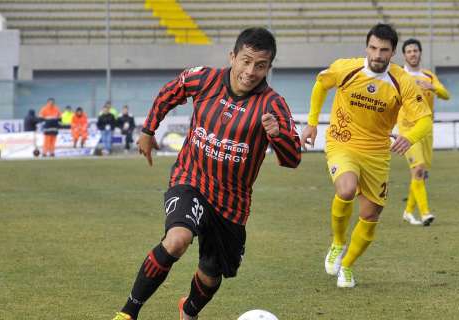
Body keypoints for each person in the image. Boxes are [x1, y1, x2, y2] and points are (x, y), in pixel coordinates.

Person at [112, 27, 301, 320]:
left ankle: (187, 311)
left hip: (232, 203)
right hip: (191, 178)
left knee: (211, 274)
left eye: (260, 65)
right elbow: (169, 93)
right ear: (233, 57)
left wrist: (277, 136)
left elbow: (292, 159)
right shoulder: (204, 79)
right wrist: (148, 130)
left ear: (268, 68)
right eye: (246, 61)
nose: (251, 71)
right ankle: (127, 313)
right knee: (177, 240)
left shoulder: (273, 105)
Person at [300, 23, 432, 288]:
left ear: (393, 52)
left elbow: (425, 120)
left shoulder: (401, 81)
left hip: (377, 153)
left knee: (370, 216)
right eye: (373, 48)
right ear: (366, 48)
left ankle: (347, 266)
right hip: (342, 142)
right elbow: (320, 85)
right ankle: (338, 243)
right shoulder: (346, 68)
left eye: (384, 50)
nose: (377, 55)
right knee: (347, 189)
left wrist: (409, 137)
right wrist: (312, 122)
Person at [399, 38, 450, 227]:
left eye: (415, 50)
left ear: (420, 53)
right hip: (408, 130)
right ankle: (425, 212)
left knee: (419, 173)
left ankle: (407, 212)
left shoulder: (428, 76)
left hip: (426, 129)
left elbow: (446, 95)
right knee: (418, 168)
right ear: (404, 55)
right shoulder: (398, 75)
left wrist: (433, 87)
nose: (412, 54)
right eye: (409, 51)